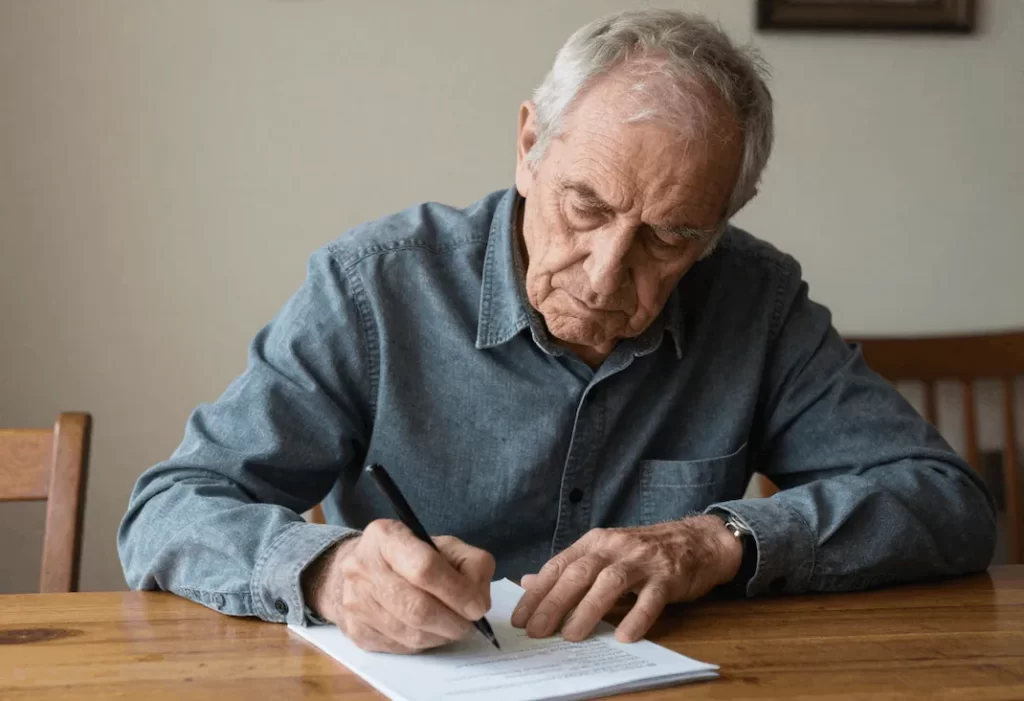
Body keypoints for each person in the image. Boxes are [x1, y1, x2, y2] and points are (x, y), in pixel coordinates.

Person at [118, 9, 996, 654]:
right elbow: (169, 508)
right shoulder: (375, 289)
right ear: (529, 145)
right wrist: (328, 571)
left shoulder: (754, 301)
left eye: (669, 238)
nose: (606, 272)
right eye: (586, 206)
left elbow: (945, 501)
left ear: (723, 221)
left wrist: (715, 541)